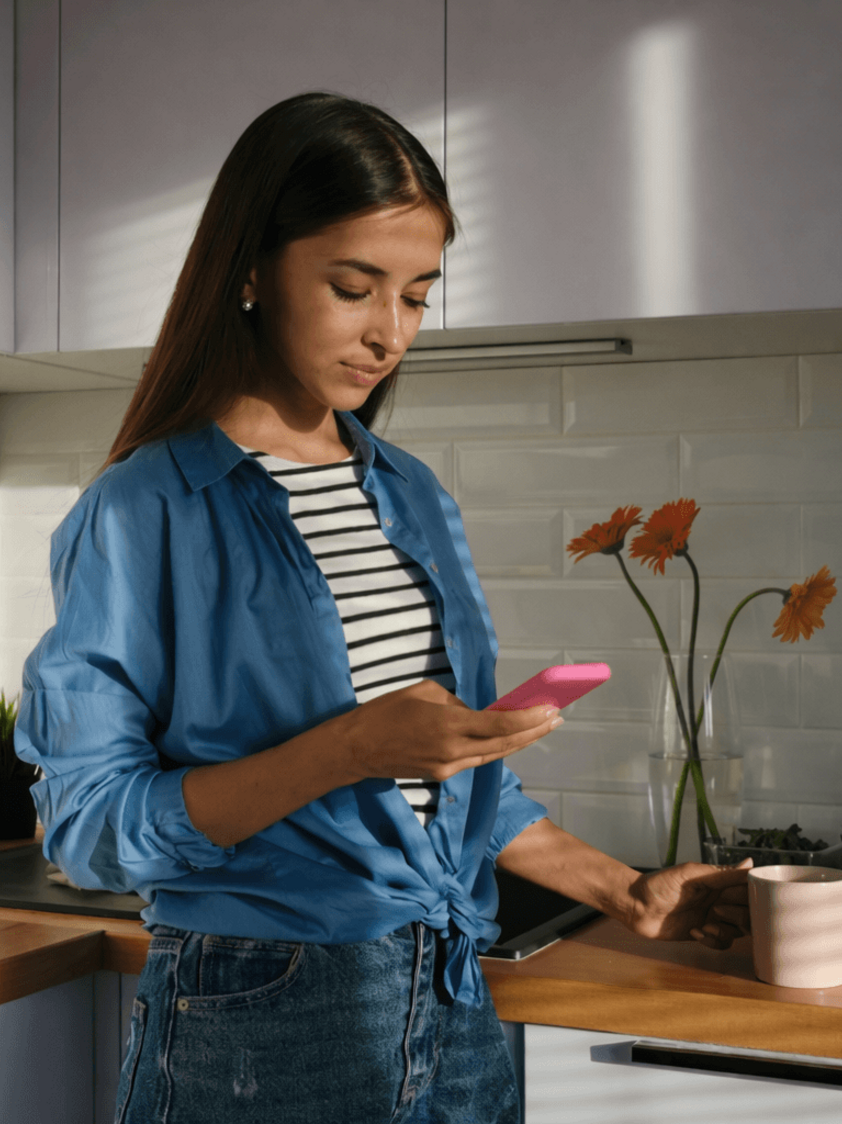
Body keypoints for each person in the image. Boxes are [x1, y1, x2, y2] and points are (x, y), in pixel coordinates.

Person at [15, 92, 750, 1124]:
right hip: (256, 1018)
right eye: (353, 286)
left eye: (415, 294)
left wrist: (624, 888)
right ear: (250, 269)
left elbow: (452, 790)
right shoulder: (143, 509)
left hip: (447, 997)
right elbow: (90, 828)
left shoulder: (407, 492)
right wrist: (349, 747)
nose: (388, 332)